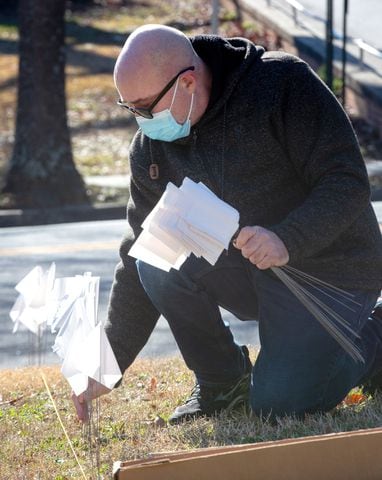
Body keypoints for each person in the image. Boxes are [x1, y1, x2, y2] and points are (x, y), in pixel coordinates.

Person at [73, 24, 382, 423]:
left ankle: (374, 341)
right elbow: (138, 255)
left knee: (279, 407)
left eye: (145, 107)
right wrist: (105, 364)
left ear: (187, 82)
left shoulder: (283, 83)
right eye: (128, 108)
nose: (140, 121)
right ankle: (223, 381)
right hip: (247, 271)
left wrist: (288, 238)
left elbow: (347, 180)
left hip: (330, 270)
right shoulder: (149, 149)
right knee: (153, 256)